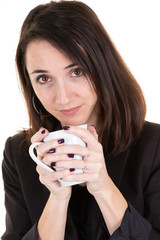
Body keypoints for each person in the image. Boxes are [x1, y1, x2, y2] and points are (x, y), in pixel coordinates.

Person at [1, 1, 160, 239]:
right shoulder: (20, 155)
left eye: (76, 72)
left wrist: (103, 187)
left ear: (102, 67)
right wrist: (57, 197)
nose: (63, 98)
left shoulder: (154, 146)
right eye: (44, 79)